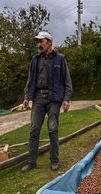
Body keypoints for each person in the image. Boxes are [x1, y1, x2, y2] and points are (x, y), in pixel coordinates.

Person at [22, 31, 73, 172]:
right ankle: (31, 162)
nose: (39, 44)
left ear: (49, 42)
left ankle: (54, 160)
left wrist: (66, 99)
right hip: (38, 98)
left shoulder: (60, 59)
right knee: (34, 130)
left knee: (52, 129)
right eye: (38, 42)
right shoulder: (35, 59)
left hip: (54, 99)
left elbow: (67, 81)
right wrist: (27, 96)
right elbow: (30, 79)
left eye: (41, 41)